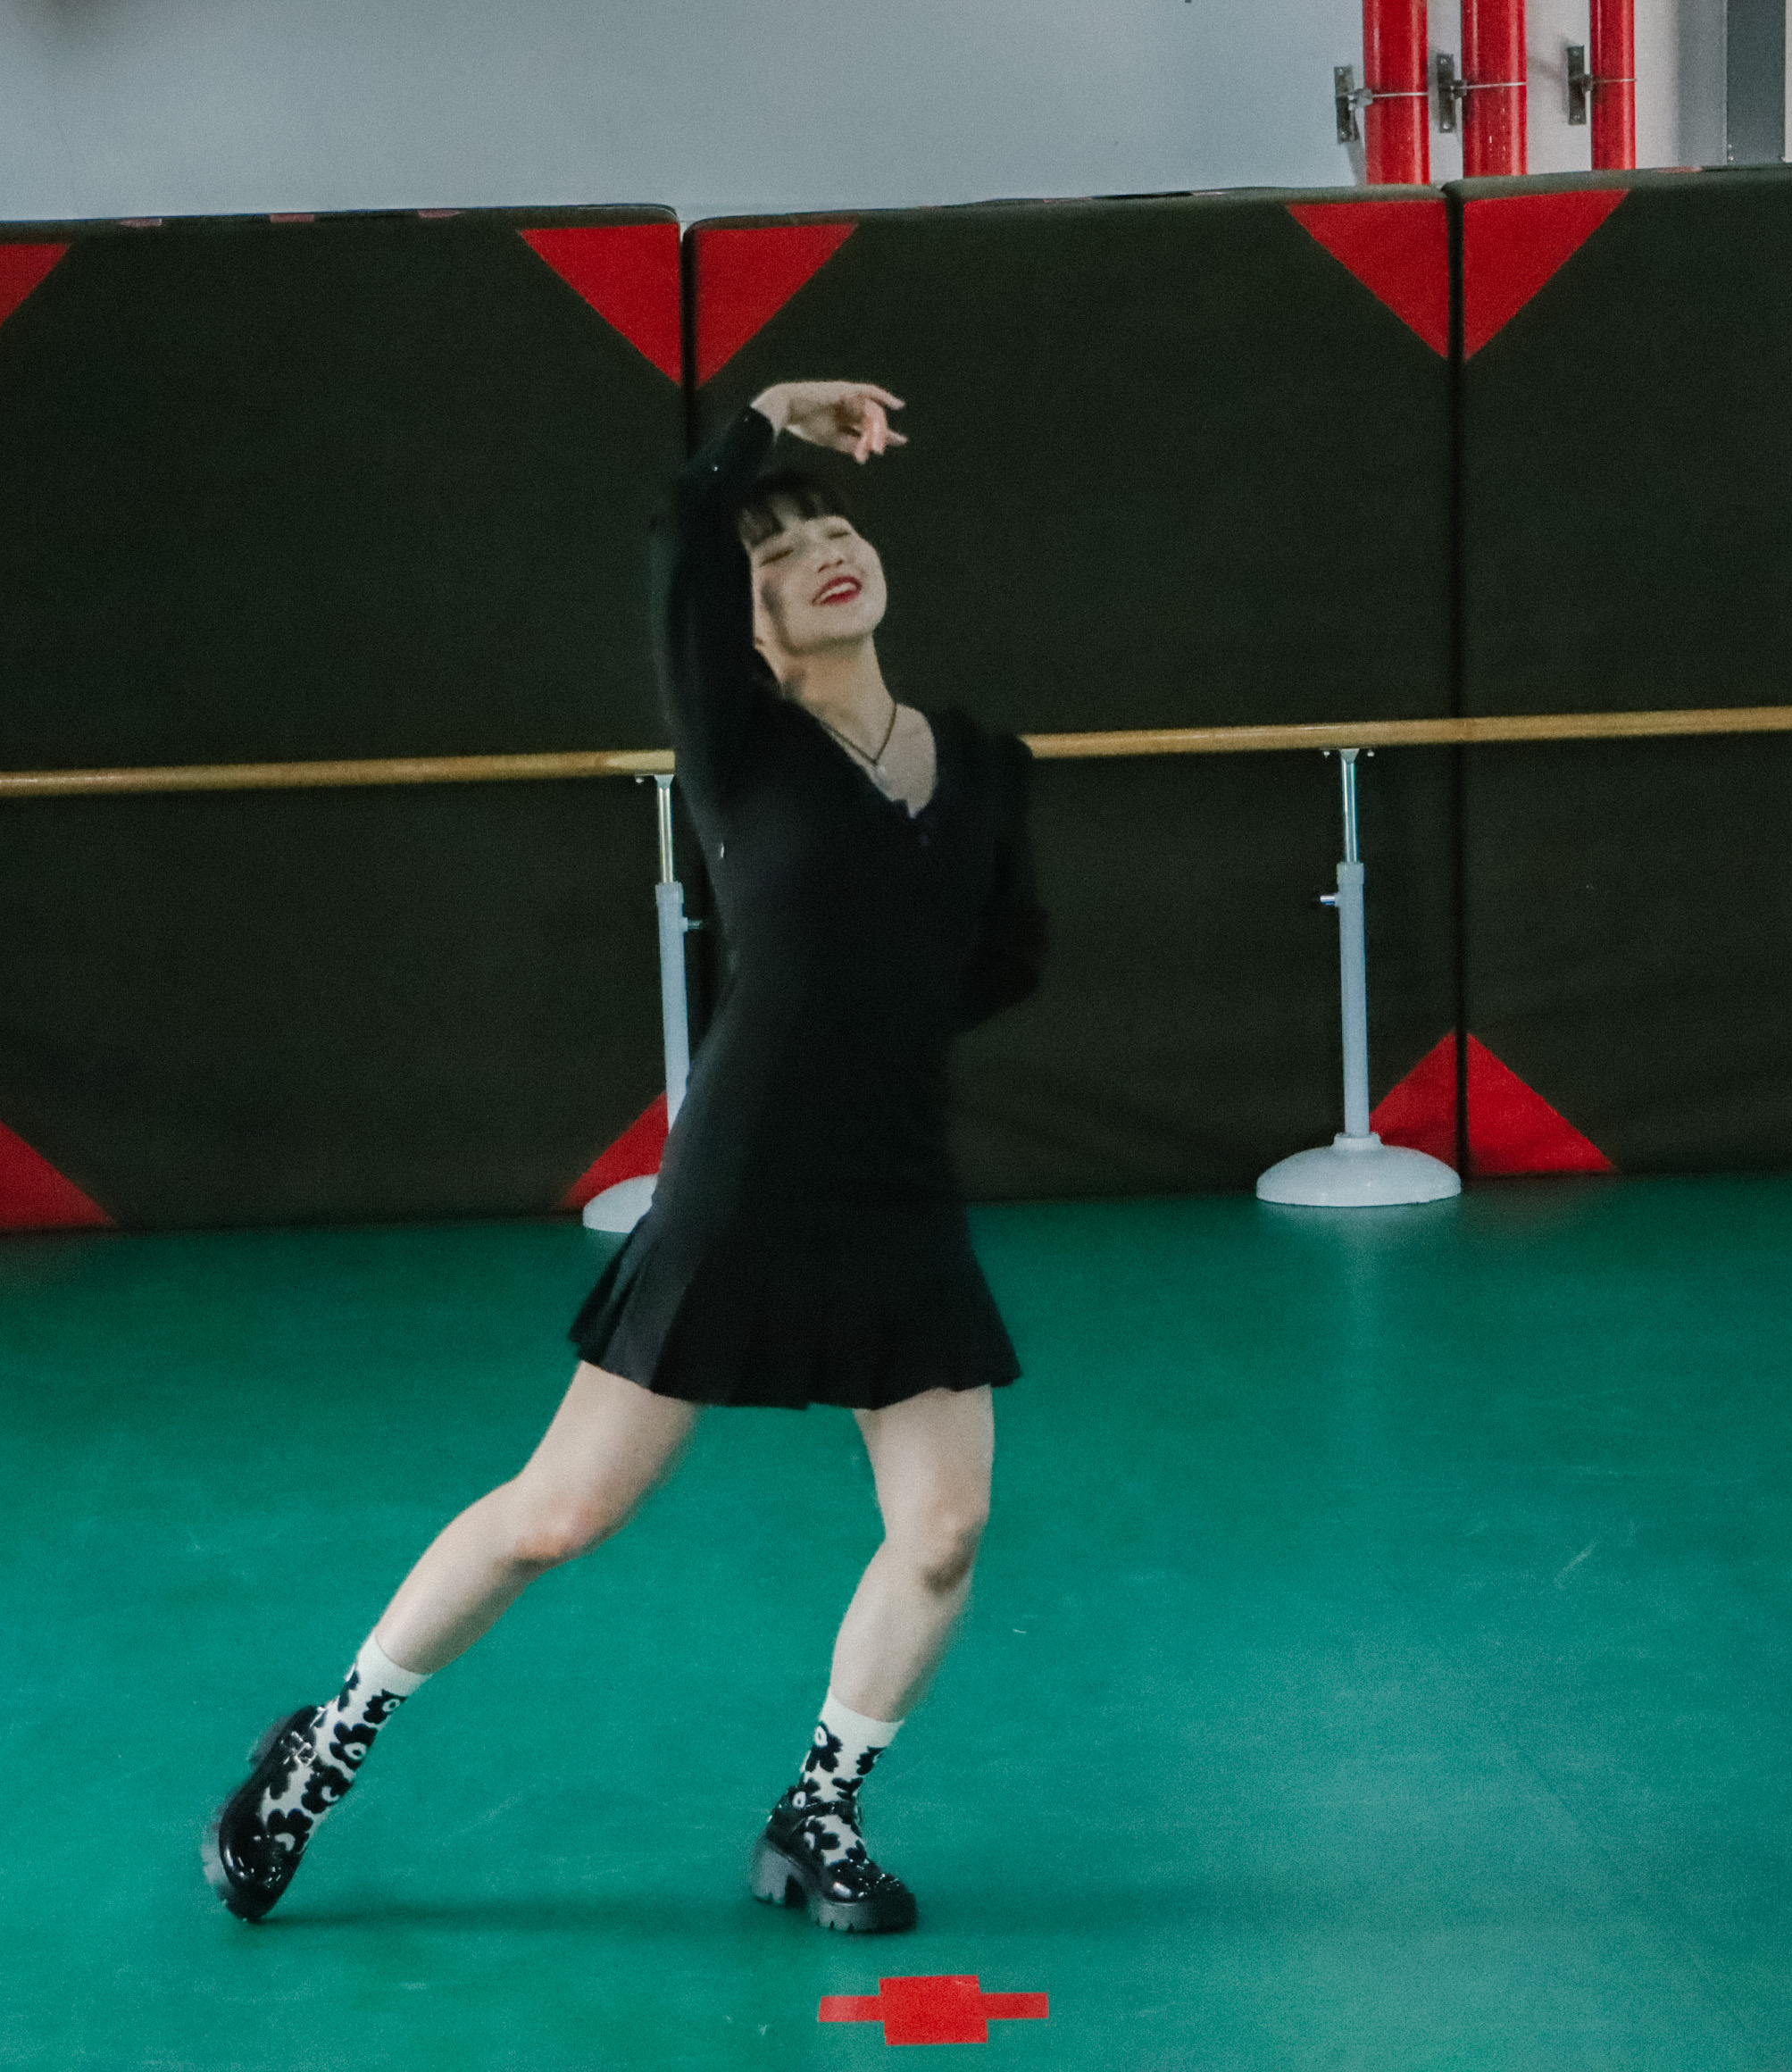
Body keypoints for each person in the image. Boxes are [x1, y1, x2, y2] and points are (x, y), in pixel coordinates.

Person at [203, 379, 1047, 1935]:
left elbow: (1005, 956)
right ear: (751, 626)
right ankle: (316, 1753)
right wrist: (768, 420)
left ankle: (817, 1815)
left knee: (943, 1532)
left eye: (835, 529)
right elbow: (682, 530)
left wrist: (874, 1014)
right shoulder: (740, 748)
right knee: (560, 1514)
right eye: (777, 555)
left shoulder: (984, 765)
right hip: (744, 1185)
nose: (822, 554)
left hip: (895, 1187)